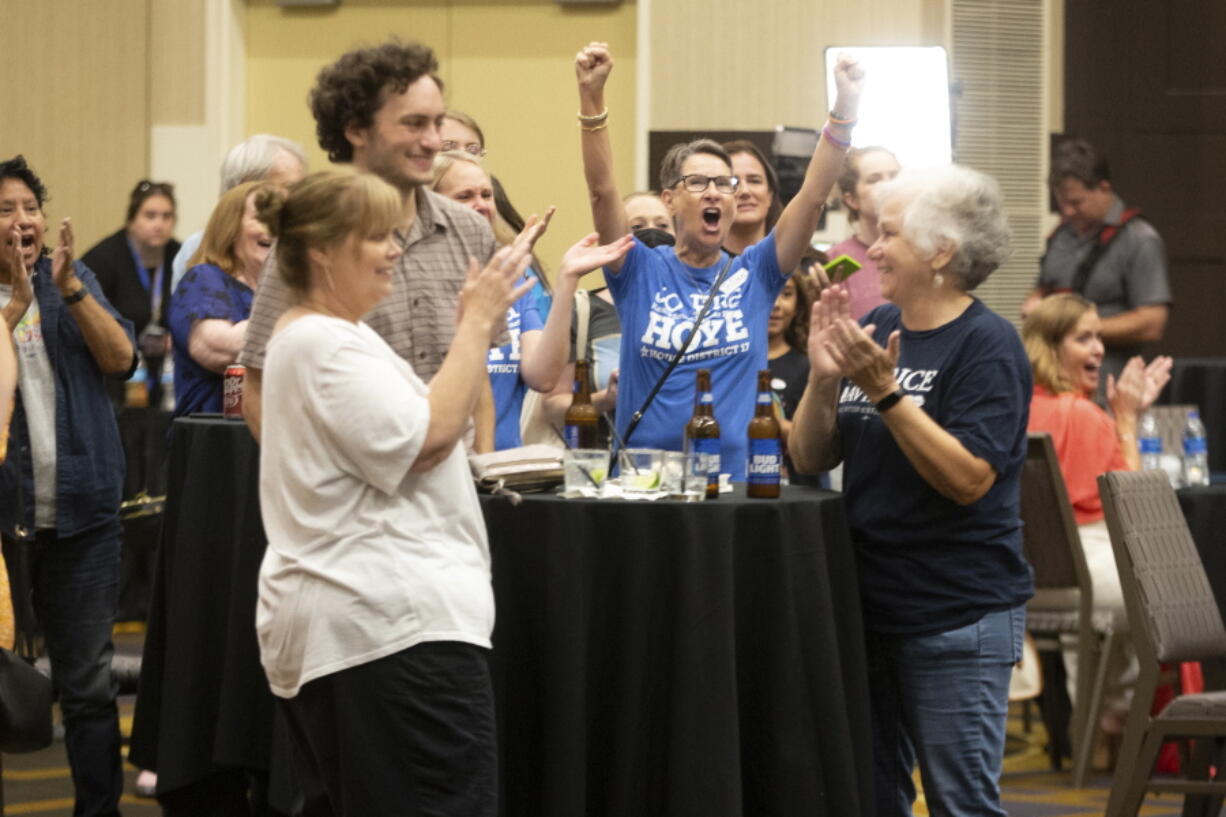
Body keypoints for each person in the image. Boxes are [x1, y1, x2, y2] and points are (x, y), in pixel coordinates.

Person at [255, 167, 540, 817]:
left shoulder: (331, 337)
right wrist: (475, 323)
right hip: (389, 632)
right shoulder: (323, 344)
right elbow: (432, 437)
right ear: (323, 251)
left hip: (375, 626)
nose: (394, 250)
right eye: (377, 237)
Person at [790, 164, 1033, 817]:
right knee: (871, 798)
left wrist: (885, 393)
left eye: (889, 233)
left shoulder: (989, 344)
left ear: (940, 251)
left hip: (956, 613)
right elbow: (811, 454)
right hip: (869, 608)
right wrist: (821, 378)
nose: (870, 248)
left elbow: (968, 479)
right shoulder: (875, 325)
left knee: (962, 804)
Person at [573, 42, 863, 481]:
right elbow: (602, 190)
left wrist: (844, 109)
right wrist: (591, 98)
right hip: (642, 485)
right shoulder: (637, 268)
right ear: (668, 199)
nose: (714, 192)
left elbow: (813, 196)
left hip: (733, 486)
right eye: (697, 182)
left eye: (724, 184)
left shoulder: (756, 272)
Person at [238, 41, 500, 447]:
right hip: (355, 491)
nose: (433, 141)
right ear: (357, 130)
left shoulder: (472, 231)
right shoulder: (314, 237)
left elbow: (477, 378)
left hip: (452, 488)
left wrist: (485, 473)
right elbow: (258, 385)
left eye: (436, 123)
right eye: (414, 124)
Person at [0, 155, 136, 817]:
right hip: (4, 523)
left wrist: (68, 290)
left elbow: (122, 359)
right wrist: (13, 305)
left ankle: (98, 810)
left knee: (87, 684)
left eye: (29, 207)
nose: (20, 220)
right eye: (4, 209)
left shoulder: (72, 278)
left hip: (82, 516)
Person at [1022, 293, 1171, 732]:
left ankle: (1097, 722)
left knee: (1111, 601)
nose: (1099, 349)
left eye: (1099, 337)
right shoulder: (1084, 416)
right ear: (1050, 349)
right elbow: (1135, 507)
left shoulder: (1016, 407)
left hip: (1026, 576)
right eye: (1083, 338)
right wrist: (1126, 420)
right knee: (1166, 591)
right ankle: (1117, 719)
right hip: (1083, 574)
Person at [430, 151, 632, 448]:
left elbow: (543, 376)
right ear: (432, 205)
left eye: (486, 194)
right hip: (441, 460)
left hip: (503, 468)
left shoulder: (513, 279)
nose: (482, 205)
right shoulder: (421, 282)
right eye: (465, 196)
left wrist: (567, 280)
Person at [1022, 138, 1171, 402]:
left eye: (1076, 202)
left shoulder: (1140, 239)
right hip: (1053, 387)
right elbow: (1045, 287)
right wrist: (1035, 303)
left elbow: (1152, 323)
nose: (1067, 211)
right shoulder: (1060, 235)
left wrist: (1076, 329)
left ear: (1104, 188)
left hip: (1108, 390)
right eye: (1062, 202)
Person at [167, 181, 277, 417]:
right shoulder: (205, 278)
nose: (274, 229)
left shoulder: (284, 290)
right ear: (231, 227)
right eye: (261, 218)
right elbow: (219, 349)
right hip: (216, 438)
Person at [81, 179, 179, 405]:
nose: (159, 224)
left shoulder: (180, 257)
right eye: (150, 215)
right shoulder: (103, 259)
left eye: (167, 216)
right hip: (115, 377)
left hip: (167, 376)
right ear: (132, 218)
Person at [170, 133, 308, 293]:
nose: (300, 196)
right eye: (291, 187)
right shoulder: (197, 247)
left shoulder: (306, 243)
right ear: (246, 188)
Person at [827, 146, 901, 320]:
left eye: (895, 177)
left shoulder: (922, 252)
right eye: (874, 180)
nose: (889, 186)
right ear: (851, 199)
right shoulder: (834, 260)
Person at [766, 268, 818, 486]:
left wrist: (777, 424)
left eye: (786, 294)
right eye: (769, 293)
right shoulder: (731, 364)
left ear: (798, 306)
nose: (777, 304)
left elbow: (818, 445)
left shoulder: (809, 366)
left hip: (795, 488)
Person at [722, 140, 781, 255]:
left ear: (770, 194)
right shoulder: (694, 266)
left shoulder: (804, 264)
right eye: (732, 183)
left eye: (755, 181)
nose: (744, 191)